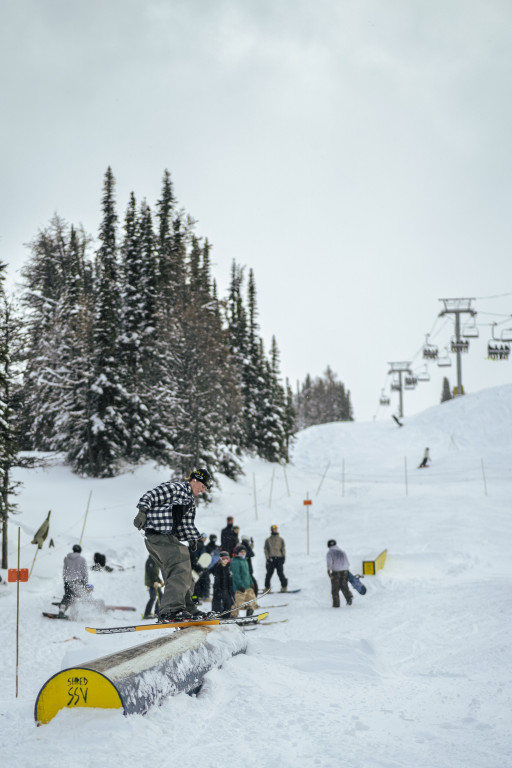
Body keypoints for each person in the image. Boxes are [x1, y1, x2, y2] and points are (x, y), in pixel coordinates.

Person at [133, 468, 216, 623]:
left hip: (167, 537)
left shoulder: (189, 501)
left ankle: (187, 607)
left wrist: (192, 539)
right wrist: (142, 512)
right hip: (157, 533)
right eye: (202, 486)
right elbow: (151, 495)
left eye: (205, 488)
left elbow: (186, 524)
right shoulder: (176, 488)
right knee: (180, 565)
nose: (202, 490)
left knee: (184, 569)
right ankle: (171, 610)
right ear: (195, 480)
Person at [59, 544, 89, 615]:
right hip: (78, 581)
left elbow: (65, 570)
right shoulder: (82, 559)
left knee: (68, 595)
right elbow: (84, 572)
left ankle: (62, 608)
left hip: (68, 580)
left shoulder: (67, 559)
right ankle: (74, 613)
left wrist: (65, 579)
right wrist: (85, 582)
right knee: (76, 596)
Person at [230, 545, 258, 617]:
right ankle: (233, 615)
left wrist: (251, 583)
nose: (243, 553)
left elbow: (248, 574)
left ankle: (249, 615)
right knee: (238, 603)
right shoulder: (236, 562)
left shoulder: (245, 560)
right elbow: (236, 575)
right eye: (241, 552)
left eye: (244, 551)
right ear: (238, 553)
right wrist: (240, 585)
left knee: (252, 601)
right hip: (240, 588)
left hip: (248, 586)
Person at [326, 539, 353, 607]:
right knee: (344, 585)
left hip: (336, 572)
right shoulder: (342, 551)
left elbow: (329, 563)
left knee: (335, 589)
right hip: (345, 570)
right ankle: (349, 596)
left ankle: (336, 605)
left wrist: (329, 572)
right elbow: (347, 562)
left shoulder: (330, 553)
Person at [264, 524, 288, 593]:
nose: (275, 530)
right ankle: (267, 588)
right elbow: (266, 550)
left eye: (276, 529)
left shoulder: (281, 539)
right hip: (271, 559)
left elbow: (283, 549)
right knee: (269, 574)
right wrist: (267, 558)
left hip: (279, 558)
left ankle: (284, 587)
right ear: (271, 530)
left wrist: (283, 557)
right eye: (273, 529)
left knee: (280, 573)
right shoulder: (268, 540)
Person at [211, 550, 234, 616]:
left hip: (227, 589)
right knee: (218, 604)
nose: (225, 560)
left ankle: (227, 615)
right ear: (220, 559)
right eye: (223, 559)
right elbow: (217, 579)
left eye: (227, 559)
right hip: (219, 589)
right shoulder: (218, 567)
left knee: (228, 603)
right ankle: (217, 614)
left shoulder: (229, 567)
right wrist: (217, 589)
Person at [143, 555, 164, 619]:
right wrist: (154, 581)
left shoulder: (155, 561)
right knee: (153, 597)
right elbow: (150, 572)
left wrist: (160, 581)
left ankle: (157, 612)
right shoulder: (150, 560)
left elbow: (155, 574)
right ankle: (147, 614)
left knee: (160, 596)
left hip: (154, 582)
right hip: (151, 582)